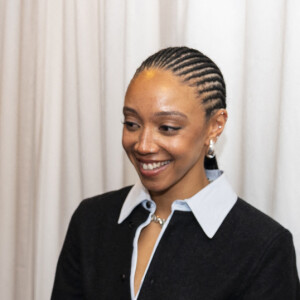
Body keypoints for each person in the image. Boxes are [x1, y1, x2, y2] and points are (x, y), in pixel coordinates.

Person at [51, 47, 300, 299]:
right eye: (132, 124)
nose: (144, 145)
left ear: (215, 125)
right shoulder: (92, 220)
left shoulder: (263, 247)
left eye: (167, 127)